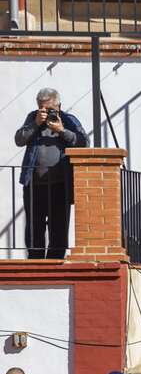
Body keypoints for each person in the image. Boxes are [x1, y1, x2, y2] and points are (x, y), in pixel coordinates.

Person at [14, 87, 88, 259]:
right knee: (34, 227)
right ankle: (35, 261)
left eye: (50, 109)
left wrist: (62, 130)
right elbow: (19, 139)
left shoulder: (69, 120)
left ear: (59, 106)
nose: (46, 113)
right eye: (42, 109)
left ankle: (55, 262)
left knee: (59, 227)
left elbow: (83, 142)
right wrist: (36, 123)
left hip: (60, 184)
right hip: (33, 184)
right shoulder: (33, 118)